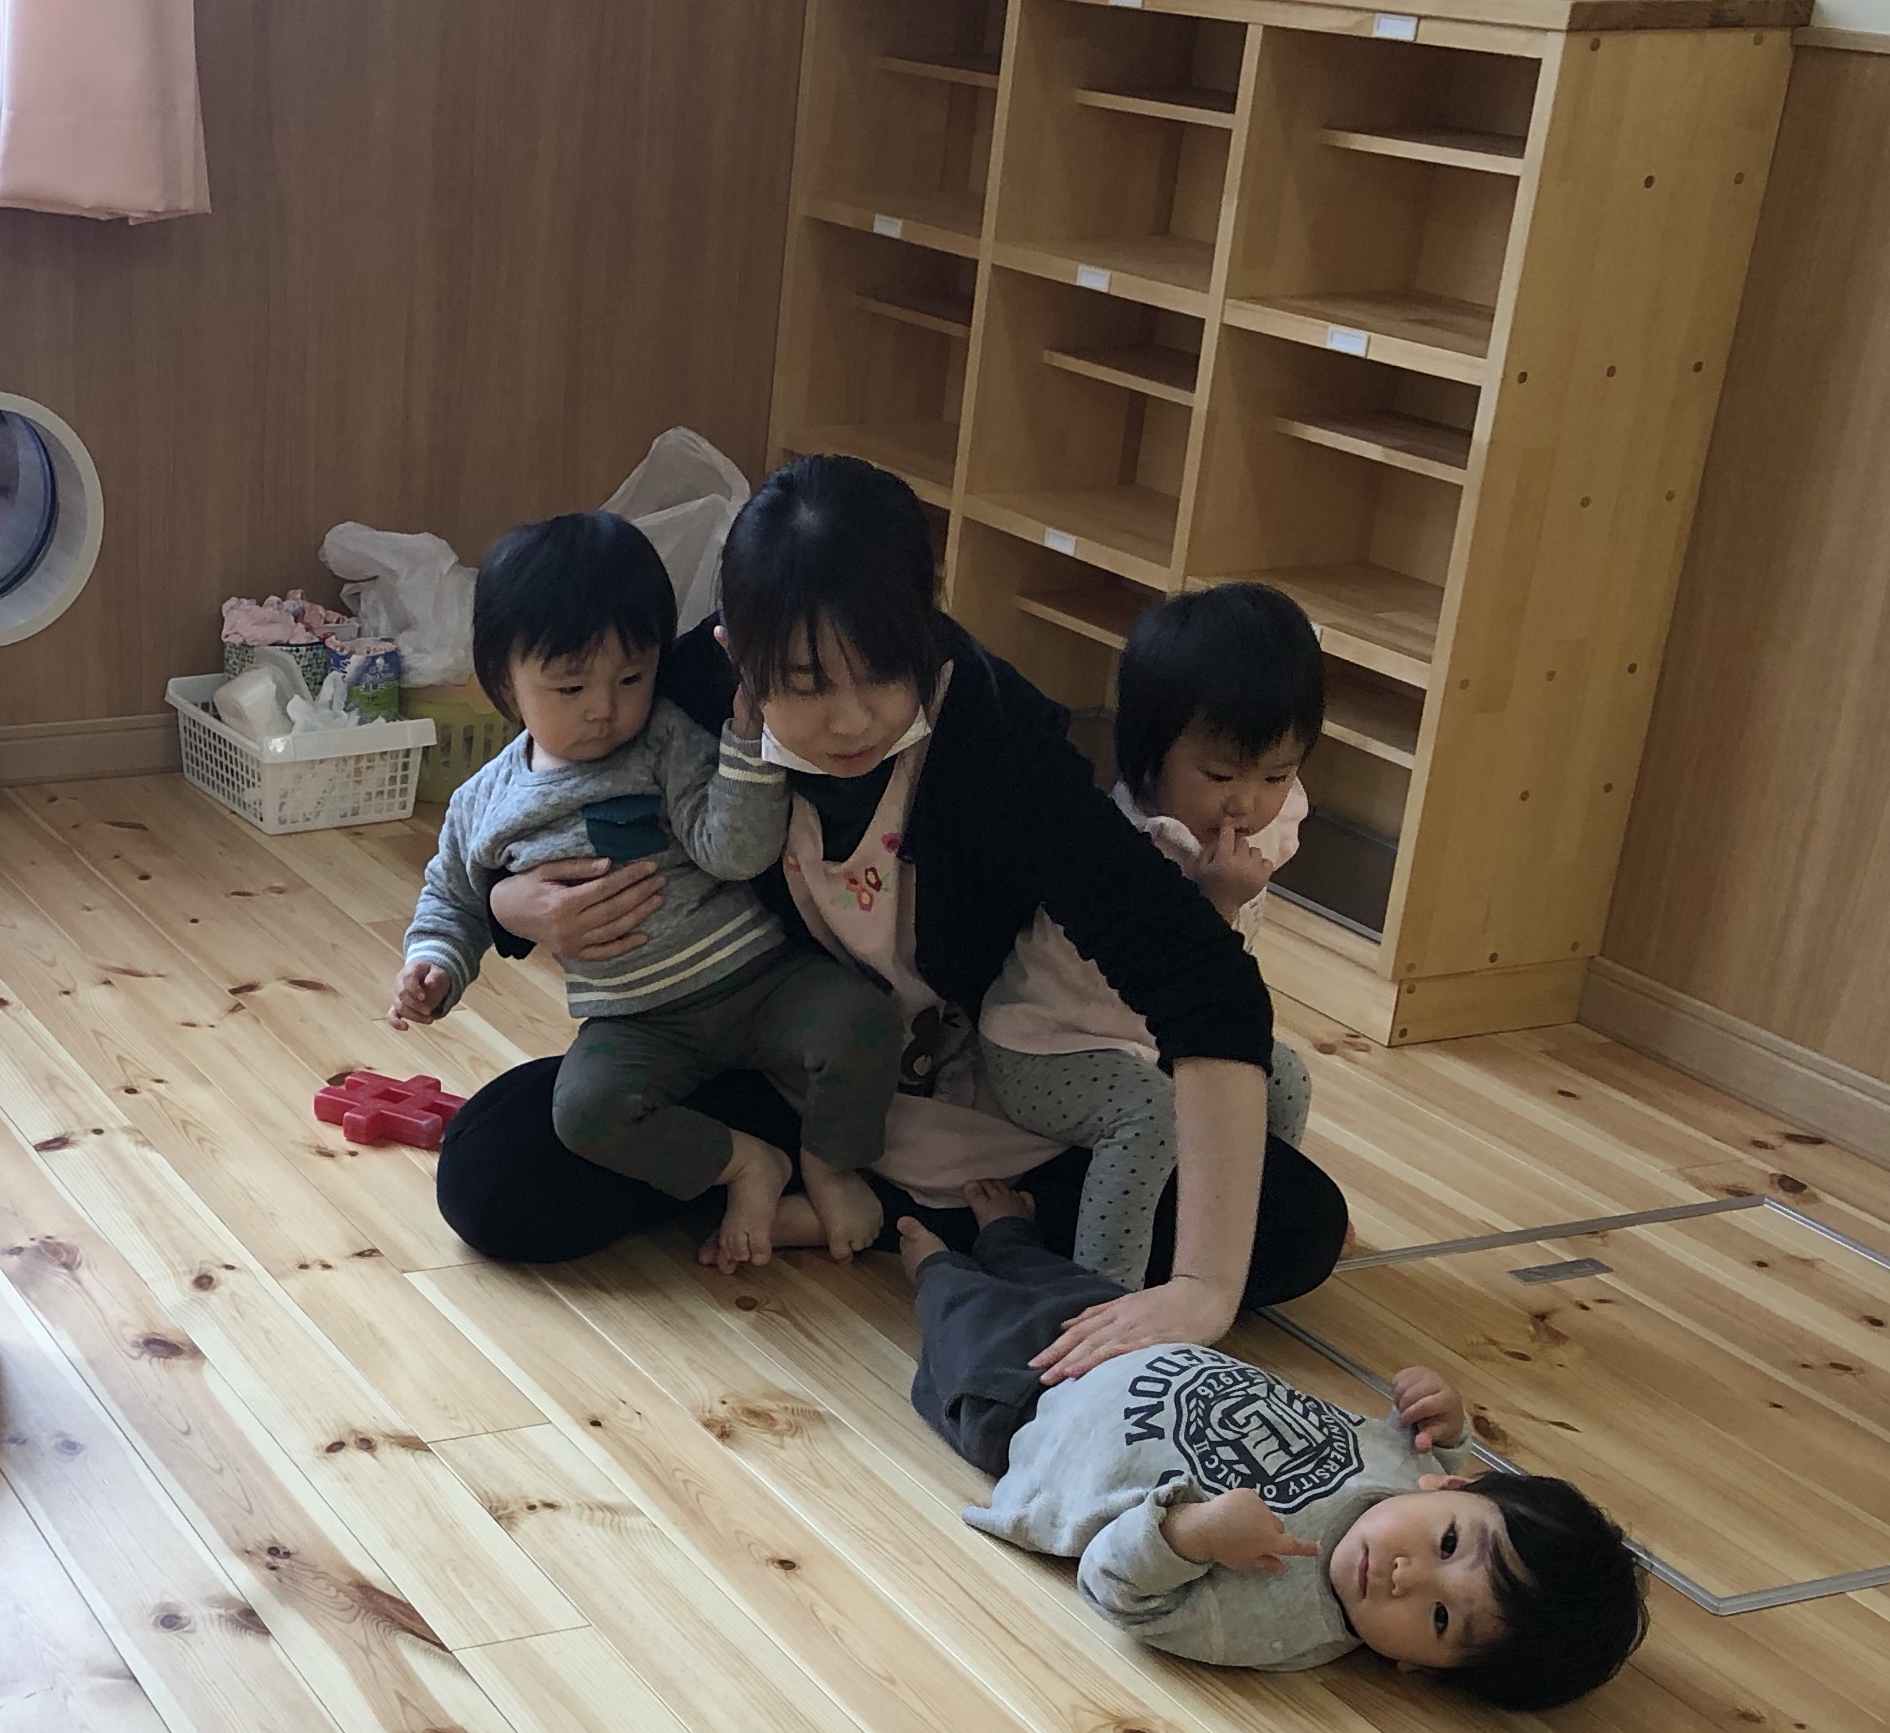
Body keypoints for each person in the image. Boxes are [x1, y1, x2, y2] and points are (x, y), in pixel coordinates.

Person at [436, 455, 1348, 1379]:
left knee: (1296, 1225)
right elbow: (534, 795)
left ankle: (920, 1218)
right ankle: (897, 1212)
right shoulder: (685, 695)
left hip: (990, 1097)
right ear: (735, 654)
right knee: (493, 1173)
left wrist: (1201, 1286)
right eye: (806, 684)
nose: (851, 721)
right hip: (785, 1066)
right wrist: (513, 906)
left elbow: (1201, 979)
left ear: (926, 632)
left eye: (881, 674)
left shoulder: (997, 734)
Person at [901, 1181, 1644, 1707]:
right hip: (1130, 1338)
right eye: (1448, 1544)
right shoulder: (1411, 1472)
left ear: (1420, 1670)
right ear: (1451, 1490)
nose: (1406, 1577)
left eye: (1441, 1619)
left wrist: (1191, 1536)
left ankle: (928, 1259)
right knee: (1059, 1278)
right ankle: (1006, 1236)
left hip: (1035, 1412)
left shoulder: (1276, 1625)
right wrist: (1447, 1420)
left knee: (963, 1312)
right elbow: (1436, 1451)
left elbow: (1116, 1589)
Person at [395, 511, 902, 1263]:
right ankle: (744, 1163)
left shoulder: (664, 739)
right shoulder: (482, 803)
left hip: (757, 981)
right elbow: (452, 899)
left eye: (631, 677)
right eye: (570, 687)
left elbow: (733, 853)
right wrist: (433, 964)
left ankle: (831, 1166)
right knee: (585, 1111)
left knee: (861, 1019)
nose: (605, 707)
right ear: (503, 683)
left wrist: (745, 746)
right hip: (636, 1023)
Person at [979, 582, 1322, 1283]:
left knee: (1282, 1078)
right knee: (1153, 1113)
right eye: (1219, 774)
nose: (1247, 801)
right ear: (1147, 753)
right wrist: (1218, 902)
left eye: (1276, 775)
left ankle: (1260, 1222)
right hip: (1046, 1046)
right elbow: (1181, 974)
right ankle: (1105, 1296)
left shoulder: (1250, 817)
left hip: (1151, 1043)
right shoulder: (1131, 839)